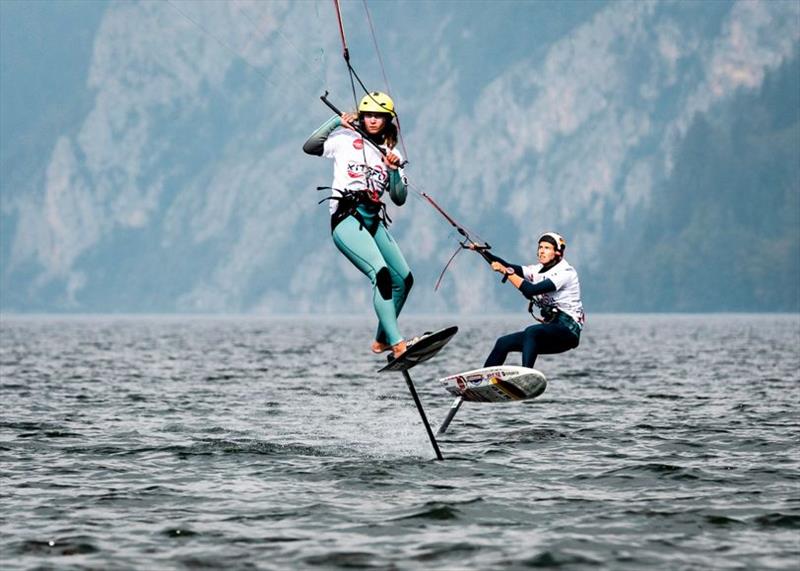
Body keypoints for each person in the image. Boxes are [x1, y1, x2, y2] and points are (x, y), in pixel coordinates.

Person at [303, 91, 412, 358]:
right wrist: (336, 122)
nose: (373, 121)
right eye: (368, 116)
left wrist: (394, 170)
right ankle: (398, 344)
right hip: (347, 218)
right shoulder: (344, 139)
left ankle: (381, 341)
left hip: (373, 220)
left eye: (379, 117)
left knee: (404, 279)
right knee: (382, 274)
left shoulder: (390, 153)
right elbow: (310, 147)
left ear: (388, 120)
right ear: (362, 117)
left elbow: (399, 198)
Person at [475, 232, 584, 369]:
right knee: (503, 343)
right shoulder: (537, 270)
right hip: (551, 329)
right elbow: (507, 265)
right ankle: (483, 382)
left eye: (547, 248)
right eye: (540, 247)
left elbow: (531, 290)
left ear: (557, 252)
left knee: (532, 331)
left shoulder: (566, 273)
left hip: (568, 330)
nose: (541, 251)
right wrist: (482, 252)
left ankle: (526, 374)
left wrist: (506, 273)